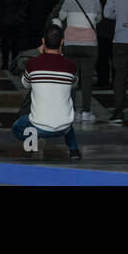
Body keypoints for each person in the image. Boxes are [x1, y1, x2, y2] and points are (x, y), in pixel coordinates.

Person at [12, 23, 81, 161]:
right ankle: (74, 151)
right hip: (64, 126)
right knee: (65, 115)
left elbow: (25, 84)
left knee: (17, 127)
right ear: (62, 41)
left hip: (38, 125)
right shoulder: (71, 66)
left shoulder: (32, 64)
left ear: (43, 42)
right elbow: (75, 84)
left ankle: (35, 142)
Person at [57, 0, 102, 122]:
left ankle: (71, 111)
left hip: (71, 45)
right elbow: (98, 19)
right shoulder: (96, 2)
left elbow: (61, 16)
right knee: (87, 81)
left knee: (72, 79)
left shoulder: (70, 0)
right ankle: (86, 111)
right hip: (90, 45)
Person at [95, 0, 120, 88]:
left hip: (105, 29)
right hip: (117, 28)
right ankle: (115, 82)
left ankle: (103, 81)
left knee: (103, 58)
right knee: (114, 58)